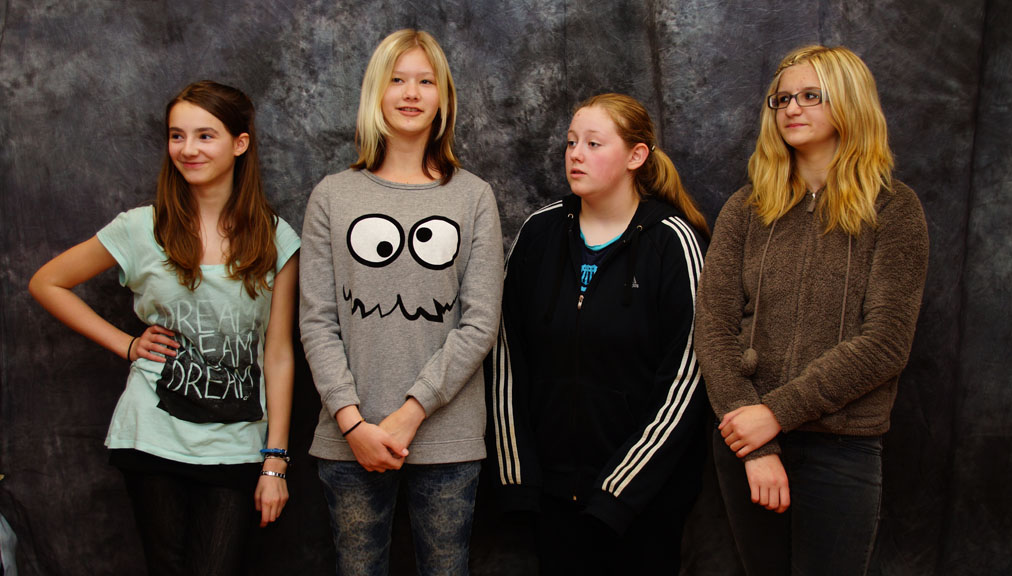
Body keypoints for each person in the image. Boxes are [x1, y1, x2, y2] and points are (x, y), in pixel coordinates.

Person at [28, 80, 300, 575]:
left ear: (240, 143)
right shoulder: (140, 228)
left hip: (236, 442)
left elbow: (278, 352)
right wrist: (127, 344)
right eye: (177, 136)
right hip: (152, 434)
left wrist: (275, 459)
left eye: (205, 135)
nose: (188, 149)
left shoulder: (275, 236)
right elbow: (47, 282)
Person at [694, 45, 930, 576]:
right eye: (782, 99)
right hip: (745, 442)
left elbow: (886, 342)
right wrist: (756, 446)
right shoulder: (746, 209)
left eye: (810, 96)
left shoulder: (894, 208)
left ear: (849, 103)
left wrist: (776, 413)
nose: (791, 109)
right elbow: (713, 328)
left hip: (842, 449)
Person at [299, 29, 504, 576]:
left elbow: (480, 323)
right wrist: (353, 424)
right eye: (397, 80)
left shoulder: (473, 196)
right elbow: (317, 322)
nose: (411, 93)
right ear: (376, 92)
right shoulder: (332, 196)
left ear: (443, 98)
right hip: (350, 441)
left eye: (425, 81)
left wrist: (410, 414)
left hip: (447, 441)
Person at [488, 93, 710, 575]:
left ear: (636, 156)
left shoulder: (673, 242)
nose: (575, 155)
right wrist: (518, 475)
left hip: (643, 502)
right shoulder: (539, 233)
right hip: (552, 499)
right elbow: (506, 355)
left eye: (593, 143)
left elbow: (687, 377)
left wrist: (619, 490)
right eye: (571, 143)